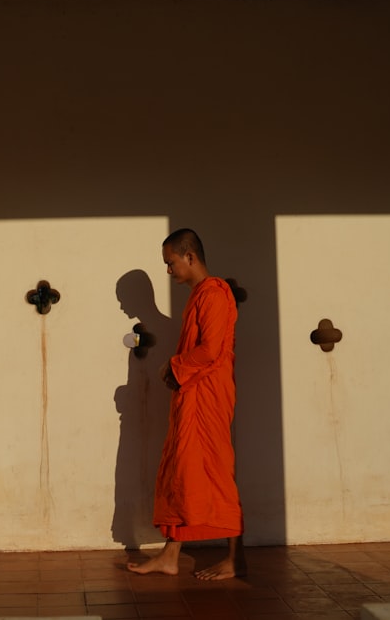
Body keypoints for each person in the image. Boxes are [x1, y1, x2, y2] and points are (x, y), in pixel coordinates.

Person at [127, 228, 246, 581]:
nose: (169, 270)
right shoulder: (199, 296)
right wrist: (176, 372)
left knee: (218, 475)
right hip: (193, 396)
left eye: (171, 262)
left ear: (189, 257)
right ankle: (170, 555)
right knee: (182, 472)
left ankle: (236, 559)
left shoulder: (214, 294)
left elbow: (210, 350)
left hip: (208, 396)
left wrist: (173, 367)